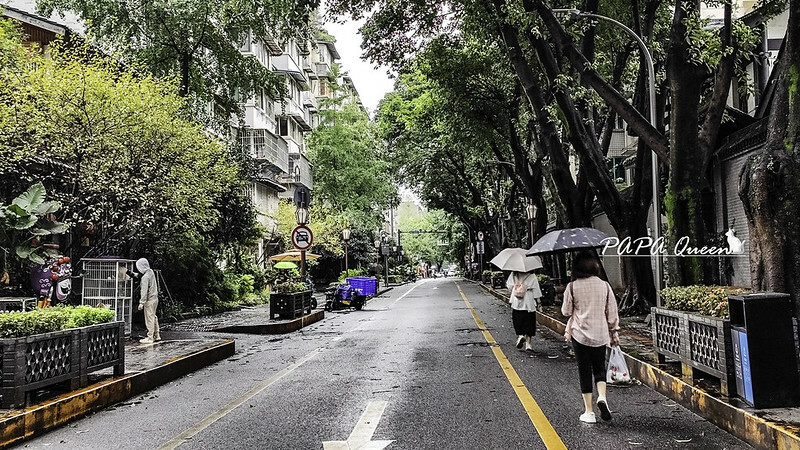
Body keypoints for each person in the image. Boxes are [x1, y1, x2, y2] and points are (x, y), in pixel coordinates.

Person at [561, 251, 620, 424]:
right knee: (599, 368)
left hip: (580, 335)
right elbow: (612, 313)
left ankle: (589, 412)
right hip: (600, 334)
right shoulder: (605, 286)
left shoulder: (572, 287)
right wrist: (614, 332)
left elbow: (566, 311)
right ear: (595, 266)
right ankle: (602, 397)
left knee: (584, 371)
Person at [506, 269, 542, 351]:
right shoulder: (532, 275)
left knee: (518, 320)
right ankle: (528, 344)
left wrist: (517, 287)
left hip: (516, 300)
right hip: (528, 300)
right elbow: (536, 290)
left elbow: (509, 286)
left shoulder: (514, 274)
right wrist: (539, 302)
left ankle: (521, 336)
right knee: (529, 322)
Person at [136, 258, 161, 344]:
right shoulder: (151, 272)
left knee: (149, 318)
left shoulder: (145, 277)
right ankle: (157, 335)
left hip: (149, 300)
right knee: (153, 317)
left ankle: (150, 337)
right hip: (155, 299)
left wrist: (141, 303)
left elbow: (144, 291)